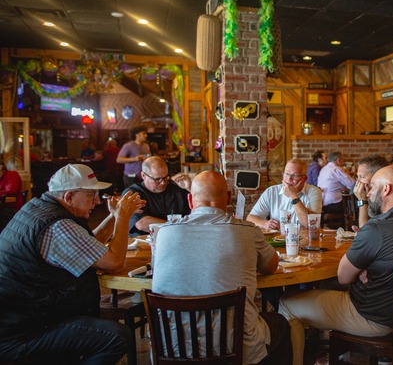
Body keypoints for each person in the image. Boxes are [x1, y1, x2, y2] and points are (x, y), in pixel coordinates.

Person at [279, 165, 393, 365]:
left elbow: (343, 277)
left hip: (374, 319)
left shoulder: (376, 228)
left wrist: (364, 259)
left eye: (371, 187)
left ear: (387, 190)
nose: (368, 192)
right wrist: (369, 264)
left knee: (287, 303)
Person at [0, 164, 143, 363]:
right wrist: (124, 218)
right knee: (117, 337)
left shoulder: (40, 208)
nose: (96, 202)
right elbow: (113, 262)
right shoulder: (58, 226)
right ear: (68, 197)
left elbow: (90, 244)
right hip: (24, 332)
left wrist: (114, 215)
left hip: (22, 318)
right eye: (91, 195)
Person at [152, 171, 291, 364]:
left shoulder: (163, 233)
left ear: (190, 201)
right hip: (237, 349)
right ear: (228, 199)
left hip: (173, 349)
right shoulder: (248, 231)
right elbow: (271, 266)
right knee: (281, 323)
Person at [123, 156, 190, 236]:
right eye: (157, 179)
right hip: (143, 243)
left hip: (176, 239)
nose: (163, 183)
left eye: (165, 178)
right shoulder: (133, 193)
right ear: (143, 175)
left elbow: (201, 210)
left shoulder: (176, 188)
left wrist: (189, 188)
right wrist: (176, 227)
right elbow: (142, 223)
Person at [247, 159, 322, 230]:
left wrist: (293, 196)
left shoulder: (314, 192)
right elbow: (250, 218)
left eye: (295, 175)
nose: (289, 179)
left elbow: (312, 225)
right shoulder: (271, 191)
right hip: (277, 239)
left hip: (304, 240)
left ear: (304, 178)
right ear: (283, 175)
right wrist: (265, 224)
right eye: (286, 174)